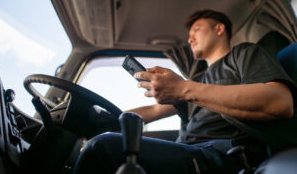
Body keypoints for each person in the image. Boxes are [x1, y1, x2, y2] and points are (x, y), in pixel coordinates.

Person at [73, 10, 296, 174]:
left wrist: (183, 88)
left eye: (197, 30)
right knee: (102, 141)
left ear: (219, 29)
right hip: (185, 150)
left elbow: (280, 102)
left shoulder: (243, 55)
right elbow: (153, 109)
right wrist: (102, 117)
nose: (189, 38)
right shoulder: (197, 80)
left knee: (101, 149)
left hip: (220, 158)